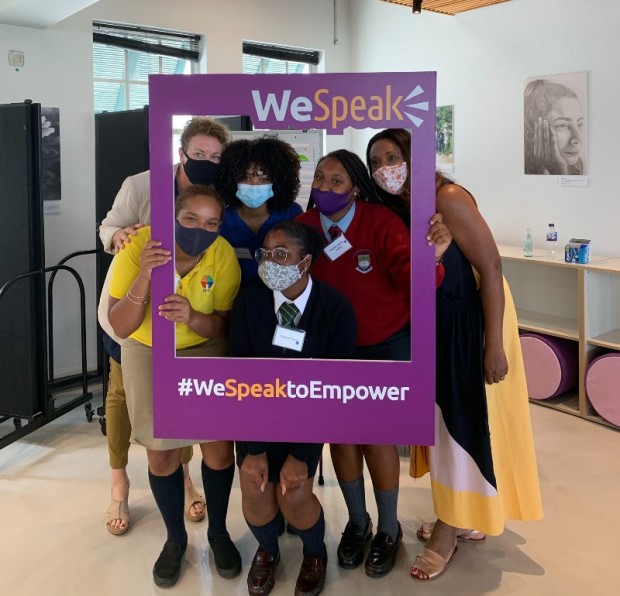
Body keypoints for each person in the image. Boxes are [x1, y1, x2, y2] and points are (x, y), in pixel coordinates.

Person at [367, 128, 543, 580]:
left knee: (464, 424)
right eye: (376, 162)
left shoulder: (447, 197)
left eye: (393, 157)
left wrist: (493, 345)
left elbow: (491, 267)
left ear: (414, 157)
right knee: (446, 425)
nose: (385, 169)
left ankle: (449, 528)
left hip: (472, 322)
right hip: (439, 323)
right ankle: (465, 512)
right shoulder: (401, 207)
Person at [296, 149, 450, 579]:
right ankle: (356, 522)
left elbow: (411, 277)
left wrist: (435, 258)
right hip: (331, 349)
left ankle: (388, 528)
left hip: (384, 343)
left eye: (337, 181)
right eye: (320, 179)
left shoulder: (381, 222)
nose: (325, 188)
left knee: (377, 438)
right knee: (342, 439)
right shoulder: (304, 228)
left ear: (356, 188)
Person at [98, 116, 231, 535]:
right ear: (182, 153)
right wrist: (124, 241)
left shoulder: (220, 238)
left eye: (216, 156)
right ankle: (120, 484)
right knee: (130, 402)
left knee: (202, 428)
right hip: (137, 317)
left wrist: (193, 315)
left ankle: (191, 487)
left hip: (196, 329)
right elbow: (108, 228)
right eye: (199, 153)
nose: (207, 161)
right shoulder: (142, 188)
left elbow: (218, 320)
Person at [108, 185, 242, 588]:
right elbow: (120, 326)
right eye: (190, 219)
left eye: (212, 223)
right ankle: (175, 539)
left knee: (218, 447)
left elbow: (223, 325)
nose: (201, 229)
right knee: (162, 453)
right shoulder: (140, 245)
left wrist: (192, 318)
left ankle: (218, 532)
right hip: (148, 349)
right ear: (173, 217)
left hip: (204, 346)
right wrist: (145, 275)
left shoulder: (222, 255)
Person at [230, 221, 357, 596]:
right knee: (256, 490)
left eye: (282, 254)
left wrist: (301, 455)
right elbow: (241, 380)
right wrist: (254, 450)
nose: (270, 261)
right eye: (265, 254)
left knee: (294, 495)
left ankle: (315, 553)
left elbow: (333, 391)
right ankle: (267, 550)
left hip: (308, 420)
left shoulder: (336, 308)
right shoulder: (249, 301)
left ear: (306, 262)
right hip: (256, 418)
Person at [216, 136, 303, 285]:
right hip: (233, 293)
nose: (254, 185)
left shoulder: (291, 213)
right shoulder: (222, 218)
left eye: (264, 179)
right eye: (245, 178)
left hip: (279, 291)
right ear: (231, 180)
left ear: (278, 181)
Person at [524, 78, 586, 175]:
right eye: (562, 125)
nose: (579, 138)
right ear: (530, 132)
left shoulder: (577, 167)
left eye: (580, 124)